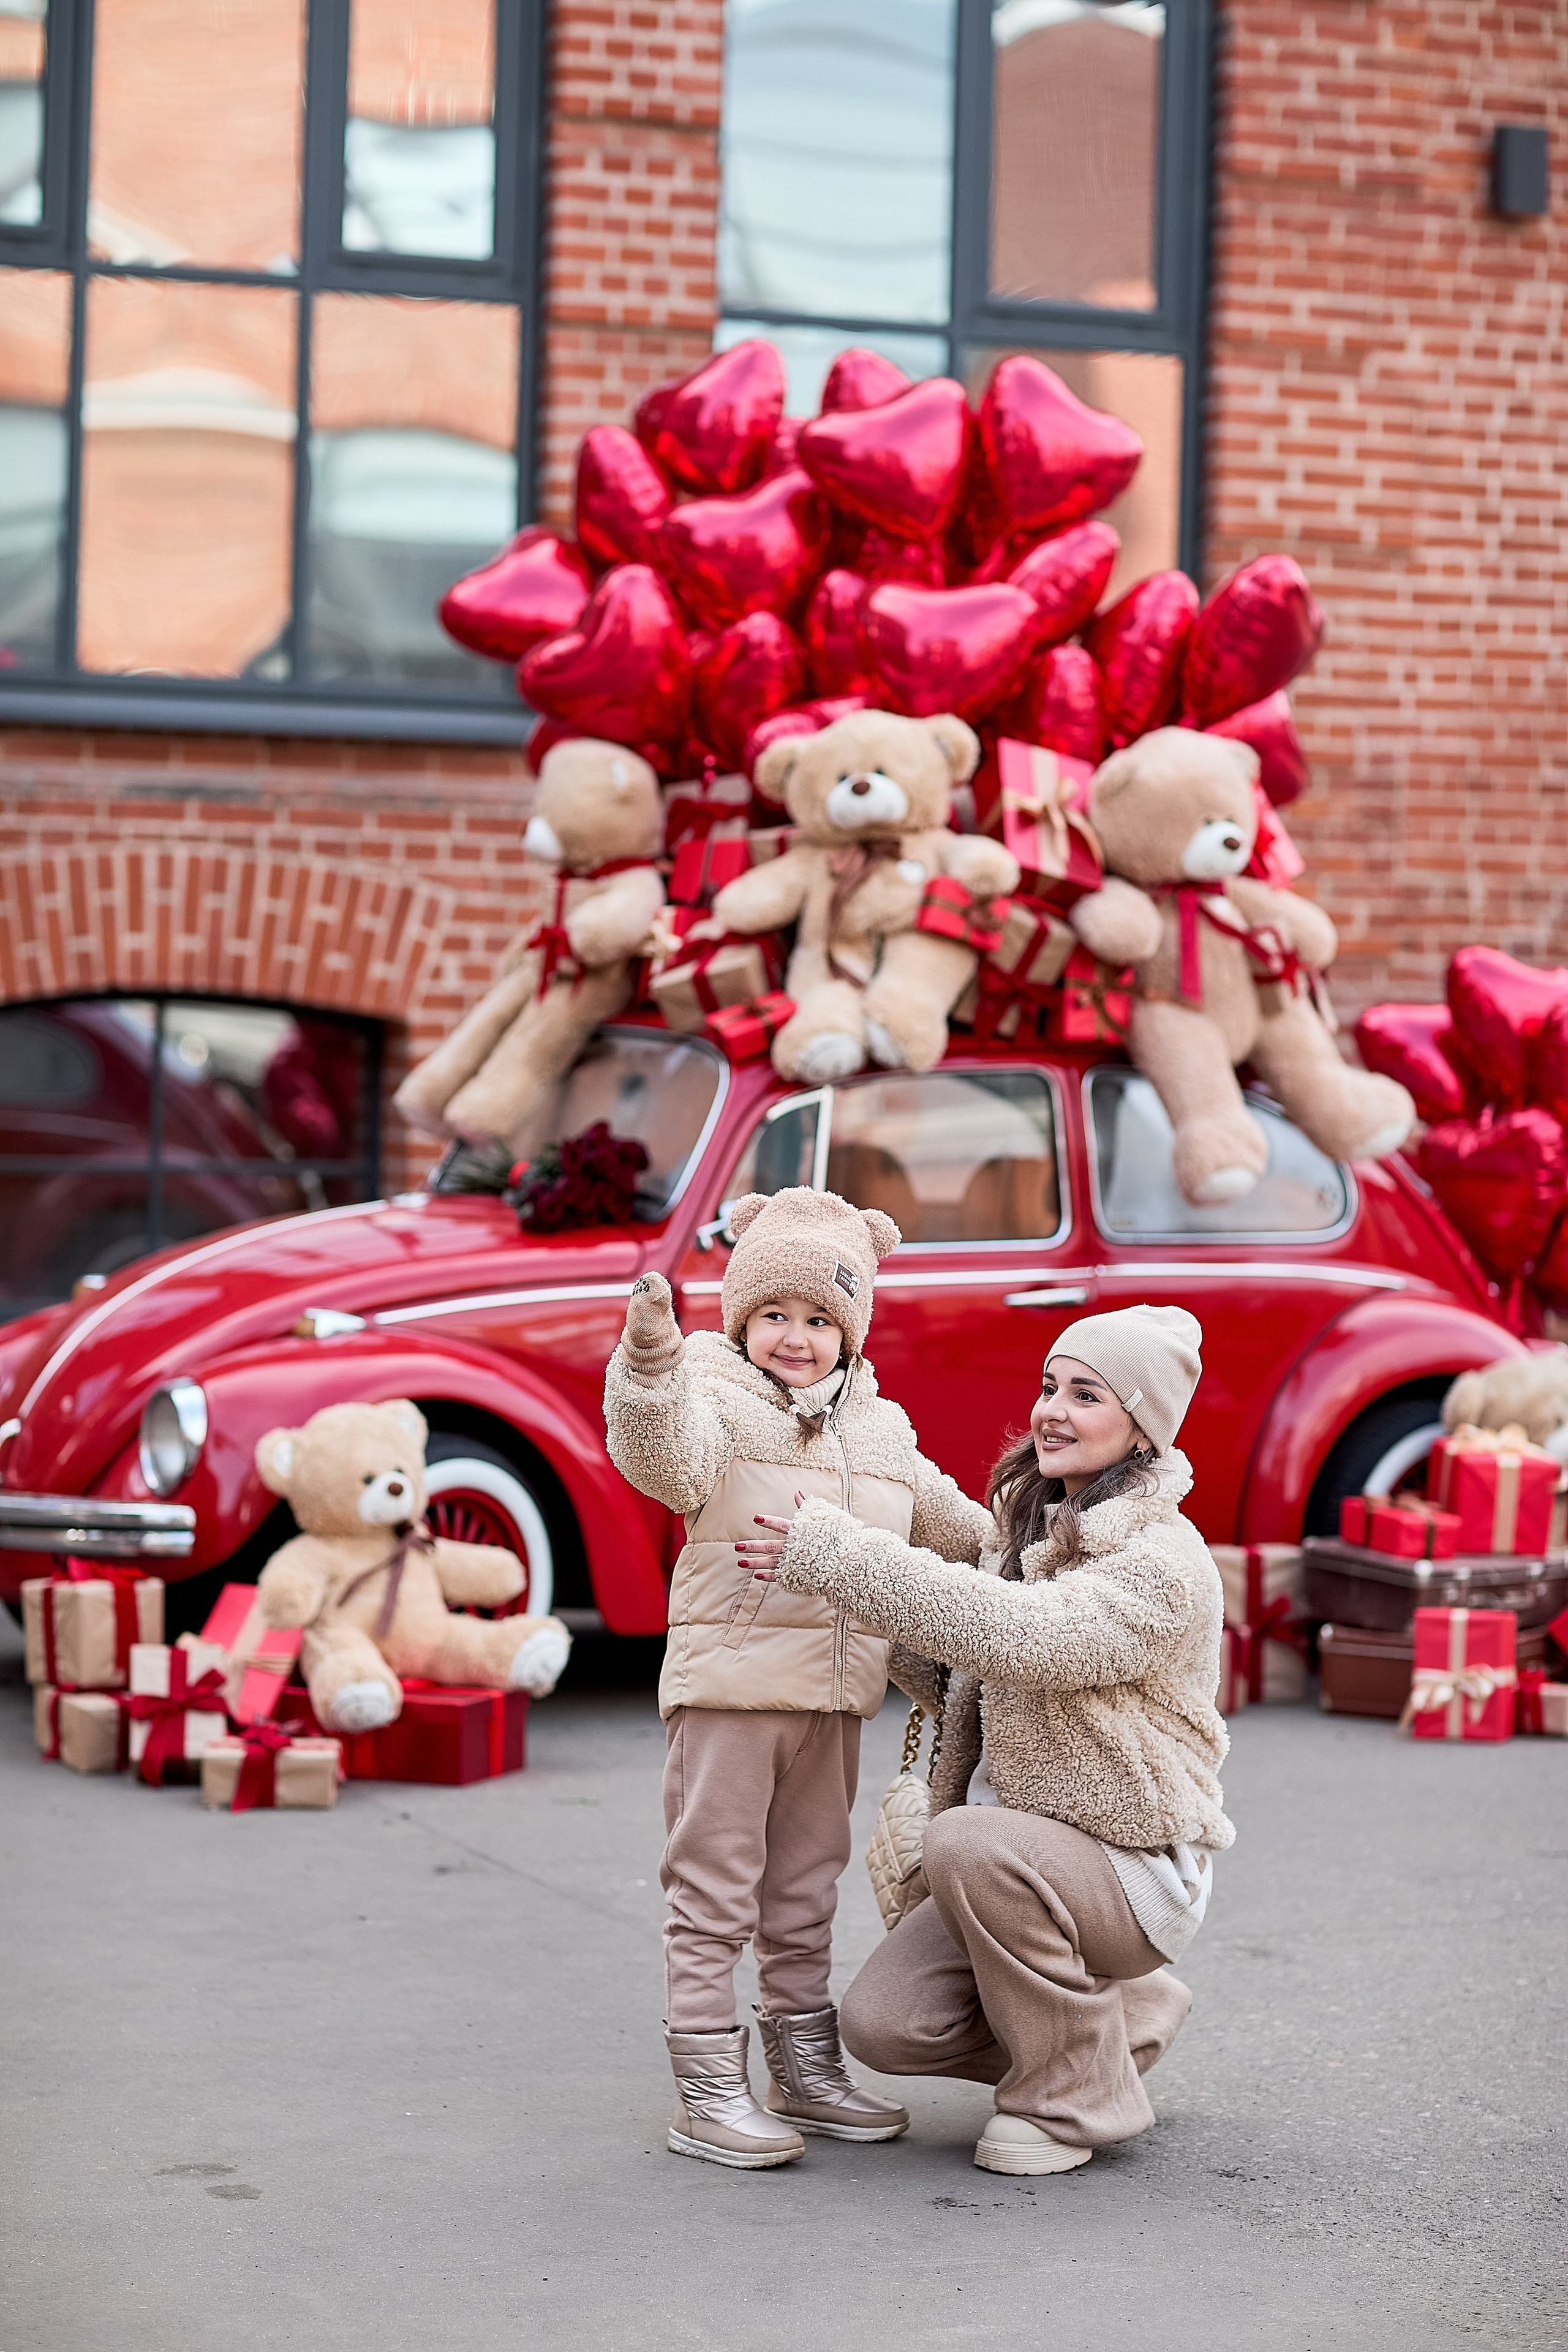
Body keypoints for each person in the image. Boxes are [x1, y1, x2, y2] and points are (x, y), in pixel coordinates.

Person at [739, 1304, 1231, 2179]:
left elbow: (1024, 1637)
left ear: (1143, 1430)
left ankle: (1070, 2099)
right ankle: (1119, 2025)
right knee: (885, 2023)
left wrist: (841, 1558)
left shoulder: (1164, 1561)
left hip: (1136, 1872)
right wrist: (860, 1428)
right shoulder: (1034, 1532)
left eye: (1087, 1395)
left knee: (963, 1840)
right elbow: (963, 1623)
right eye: (1050, 1387)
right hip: (1033, 1858)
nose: (1053, 1410)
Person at [603, 1186, 995, 2171]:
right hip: (732, 1693)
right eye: (774, 1314)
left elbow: (955, 1527)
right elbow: (660, 1451)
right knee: (713, 1890)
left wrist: (1038, 1565)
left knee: (805, 1890)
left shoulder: (880, 1430)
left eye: (821, 1318)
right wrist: (650, 1363)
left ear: (851, 1331)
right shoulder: (715, 1406)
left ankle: (803, 2068)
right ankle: (705, 2089)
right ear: (741, 1318)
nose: (795, 1336)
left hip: (838, 1700)